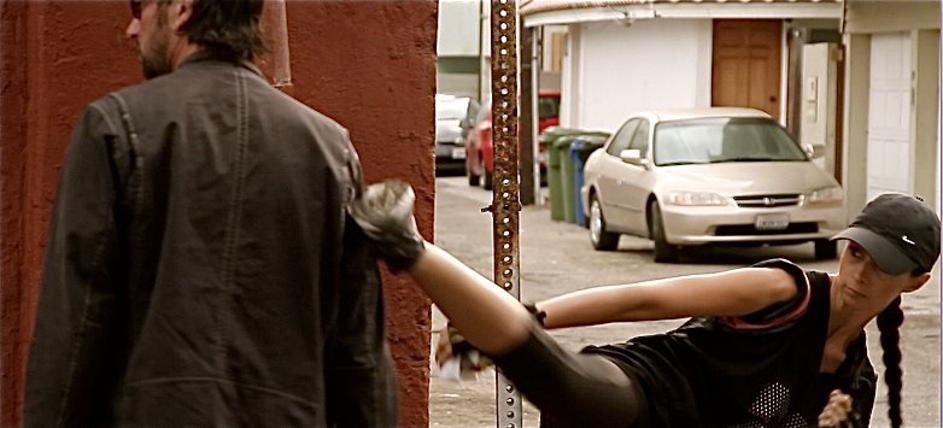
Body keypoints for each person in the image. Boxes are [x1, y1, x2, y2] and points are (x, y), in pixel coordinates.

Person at [25, 1, 397, 426]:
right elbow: (360, 354)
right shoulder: (331, 150)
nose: (132, 28)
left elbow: (73, 331)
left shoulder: (114, 126)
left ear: (183, 9)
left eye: (140, 7)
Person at [349, 181, 940, 428]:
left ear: (915, 282)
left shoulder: (854, 387)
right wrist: (532, 319)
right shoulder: (787, 291)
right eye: (857, 252)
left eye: (884, 264)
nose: (862, 272)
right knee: (570, 388)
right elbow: (644, 298)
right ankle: (406, 243)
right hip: (650, 388)